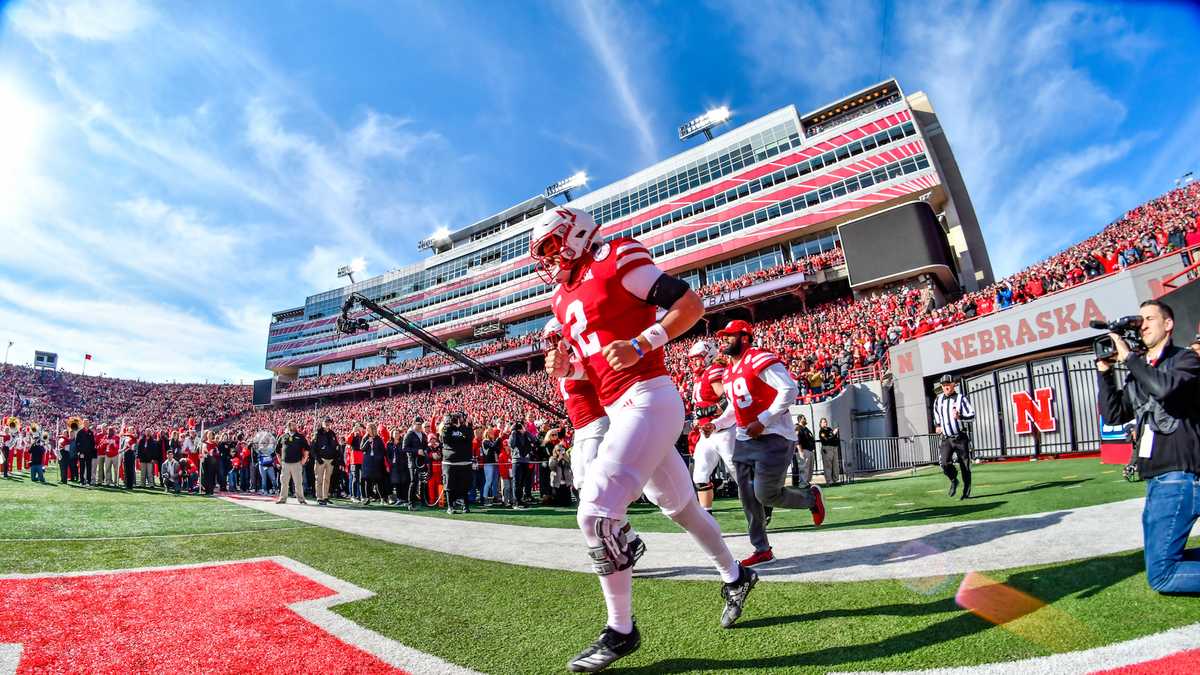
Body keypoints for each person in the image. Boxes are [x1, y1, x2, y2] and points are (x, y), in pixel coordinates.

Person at [532, 206, 753, 672]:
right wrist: (568, 367)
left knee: (594, 512)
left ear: (575, 234)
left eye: (553, 245)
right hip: (621, 407)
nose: (550, 258)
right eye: (544, 251)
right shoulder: (559, 299)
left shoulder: (615, 257)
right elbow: (592, 364)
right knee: (682, 509)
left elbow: (691, 305)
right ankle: (737, 575)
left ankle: (621, 630)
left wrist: (642, 342)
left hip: (649, 397)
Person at [1097, 299, 1200, 593]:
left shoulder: (1185, 360)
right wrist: (1105, 373)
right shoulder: (1140, 371)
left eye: (1149, 319)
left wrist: (1130, 359)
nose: (1142, 325)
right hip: (1158, 479)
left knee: (1162, 576)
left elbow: (1164, 388)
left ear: (1168, 325)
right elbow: (1114, 414)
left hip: (1180, 475)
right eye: (1139, 320)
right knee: (1163, 561)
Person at [710, 319, 826, 568]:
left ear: (744, 337)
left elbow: (789, 389)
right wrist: (717, 424)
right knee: (747, 498)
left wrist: (763, 420)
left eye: (729, 335)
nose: (724, 340)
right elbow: (735, 407)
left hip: (773, 436)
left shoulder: (759, 358)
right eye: (723, 336)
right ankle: (761, 549)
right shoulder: (729, 370)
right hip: (744, 438)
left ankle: (809, 498)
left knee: (765, 494)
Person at [689, 339, 735, 513]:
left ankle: (761, 506)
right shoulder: (700, 376)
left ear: (708, 356)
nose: (694, 362)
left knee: (737, 472)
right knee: (700, 475)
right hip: (706, 434)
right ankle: (706, 517)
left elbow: (727, 398)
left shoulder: (714, 371)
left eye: (697, 358)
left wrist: (712, 409)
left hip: (724, 430)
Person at [932, 374, 976, 499]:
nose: (946, 387)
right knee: (944, 463)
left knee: (965, 465)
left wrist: (960, 417)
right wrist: (938, 425)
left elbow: (972, 416)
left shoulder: (961, 398)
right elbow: (936, 415)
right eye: (943, 385)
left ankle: (966, 490)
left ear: (953, 384)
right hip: (946, 438)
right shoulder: (938, 400)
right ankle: (953, 479)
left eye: (948, 384)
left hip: (960, 437)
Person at [440, 412, 474, 514]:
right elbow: (445, 438)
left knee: (465, 486)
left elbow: (469, 438)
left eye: (459, 418)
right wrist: (448, 425)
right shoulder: (446, 429)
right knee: (449, 486)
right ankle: (450, 507)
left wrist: (462, 427)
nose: (457, 420)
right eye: (455, 418)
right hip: (450, 463)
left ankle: (465, 506)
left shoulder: (466, 428)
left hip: (464, 462)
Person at [276, 421, 310, 505]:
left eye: (295, 425)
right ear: (288, 426)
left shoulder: (300, 436)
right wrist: (280, 460)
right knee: (284, 482)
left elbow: (307, 448)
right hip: (285, 463)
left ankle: (301, 499)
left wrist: (304, 459)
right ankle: (282, 498)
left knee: (298, 482)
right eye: (292, 425)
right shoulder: (283, 436)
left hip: (296, 463)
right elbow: (277, 450)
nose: (294, 426)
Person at [508, 419, 536, 508]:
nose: (522, 427)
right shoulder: (514, 434)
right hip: (517, 461)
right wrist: (513, 431)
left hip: (526, 460)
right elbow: (511, 444)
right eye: (520, 426)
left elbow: (534, 440)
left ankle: (520, 500)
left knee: (523, 482)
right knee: (517, 482)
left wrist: (526, 431)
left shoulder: (526, 434)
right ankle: (516, 501)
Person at [311, 418, 338, 505]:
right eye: (326, 422)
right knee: (319, 479)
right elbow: (312, 448)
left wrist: (335, 458)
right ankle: (319, 497)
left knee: (327, 479)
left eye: (329, 422)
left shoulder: (332, 433)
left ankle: (325, 497)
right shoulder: (318, 433)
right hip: (321, 459)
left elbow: (336, 447)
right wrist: (318, 458)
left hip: (330, 460)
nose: (327, 424)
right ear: (322, 423)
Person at [361, 423, 387, 506]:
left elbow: (383, 450)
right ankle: (367, 498)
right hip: (368, 462)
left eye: (369, 428)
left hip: (376, 463)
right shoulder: (365, 438)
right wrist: (368, 442)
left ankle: (382, 498)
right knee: (367, 481)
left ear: (373, 429)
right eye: (367, 429)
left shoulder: (378, 439)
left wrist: (378, 458)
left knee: (378, 481)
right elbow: (362, 449)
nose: (367, 430)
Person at [794, 415, 816, 487]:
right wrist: (800, 452)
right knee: (804, 468)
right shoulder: (798, 428)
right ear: (800, 420)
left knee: (809, 468)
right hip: (803, 450)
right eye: (804, 418)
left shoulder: (806, 429)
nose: (805, 419)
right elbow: (797, 440)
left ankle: (806, 482)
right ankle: (803, 484)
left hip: (809, 450)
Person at [818, 418, 841, 485]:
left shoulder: (829, 429)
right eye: (824, 422)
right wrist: (833, 433)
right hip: (827, 448)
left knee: (835, 464)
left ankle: (835, 479)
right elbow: (826, 440)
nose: (825, 423)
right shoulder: (822, 431)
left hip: (834, 447)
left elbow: (834, 437)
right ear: (820, 424)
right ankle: (829, 480)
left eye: (826, 422)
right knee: (828, 465)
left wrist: (835, 434)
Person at [74, 420, 96, 486]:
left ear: (89, 424)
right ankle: (81, 481)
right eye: (85, 423)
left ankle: (88, 481)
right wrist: (79, 452)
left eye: (87, 423)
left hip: (89, 453)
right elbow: (77, 443)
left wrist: (91, 451)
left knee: (89, 467)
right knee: (82, 467)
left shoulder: (91, 432)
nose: (86, 424)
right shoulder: (80, 432)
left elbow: (93, 443)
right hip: (82, 453)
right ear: (83, 423)